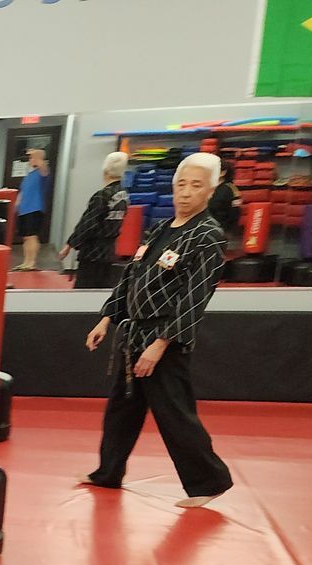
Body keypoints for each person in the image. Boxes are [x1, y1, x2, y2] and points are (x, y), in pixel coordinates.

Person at [82, 153, 233, 509]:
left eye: (196, 186)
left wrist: (161, 344)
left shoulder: (208, 237)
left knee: (174, 414)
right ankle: (109, 472)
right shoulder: (160, 229)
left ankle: (209, 481)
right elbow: (131, 277)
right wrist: (107, 318)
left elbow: (195, 298)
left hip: (164, 339)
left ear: (210, 191)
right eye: (181, 184)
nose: (185, 193)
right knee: (121, 409)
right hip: (131, 335)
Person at [62, 152, 131, 290]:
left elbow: (88, 224)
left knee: (84, 291)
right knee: (103, 290)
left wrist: (69, 245)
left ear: (106, 170)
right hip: (109, 251)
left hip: (93, 252)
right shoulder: (123, 195)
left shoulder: (102, 195)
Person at [15, 148, 52, 272]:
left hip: (35, 208)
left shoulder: (42, 173)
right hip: (24, 210)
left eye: (33, 158)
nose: (31, 160)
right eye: (30, 158)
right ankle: (26, 261)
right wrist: (17, 204)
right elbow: (22, 192)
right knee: (25, 237)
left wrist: (37, 154)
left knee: (31, 236)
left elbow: (42, 166)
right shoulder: (28, 176)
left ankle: (32, 262)